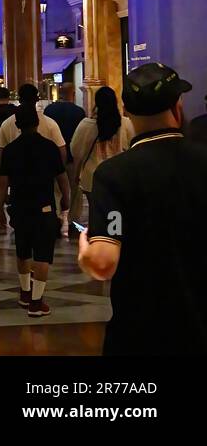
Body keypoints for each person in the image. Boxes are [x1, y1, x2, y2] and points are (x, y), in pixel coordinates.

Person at [79, 62, 207, 356]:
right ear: (177, 107)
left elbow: (103, 261)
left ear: (127, 112)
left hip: (139, 331)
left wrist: (86, 249)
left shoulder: (114, 175)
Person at [0, 102, 69, 317]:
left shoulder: (10, 150)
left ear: (17, 125)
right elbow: (62, 177)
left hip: (19, 206)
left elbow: (2, 182)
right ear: (37, 122)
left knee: (23, 249)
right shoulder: (49, 147)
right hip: (44, 206)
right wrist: (66, 198)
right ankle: (37, 302)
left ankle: (25, 292)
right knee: (43, 254)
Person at [70, 86, 133, 226]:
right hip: (119, 176)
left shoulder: (85, 125)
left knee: (96, 213)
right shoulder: (125, 123)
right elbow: (133, 148)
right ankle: (114, 236)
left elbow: (76, 152)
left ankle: (97, 238)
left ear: (96, 102)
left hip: (92, 177)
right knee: (116, 211)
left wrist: (76, 175)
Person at [44, 82, 85, 228]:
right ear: (73, 94)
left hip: (53, 157)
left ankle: (55, 217)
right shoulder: (79, 112)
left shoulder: (49, 110)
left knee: (55, 188)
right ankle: (73, 220)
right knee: (75, 188)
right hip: (73, 158)